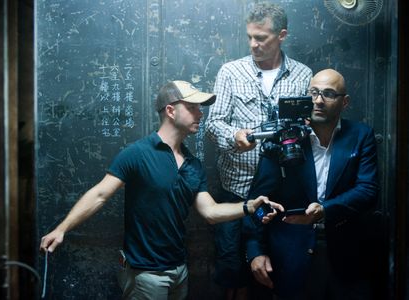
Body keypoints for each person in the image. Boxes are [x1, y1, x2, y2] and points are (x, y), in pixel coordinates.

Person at [39, 80, 283, 300]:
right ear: (171, 110)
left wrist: (250, 206)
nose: (201, 114)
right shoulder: (138, 153)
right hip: (145, 274)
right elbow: (100, 194)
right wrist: (62, 229)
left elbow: (210, 212)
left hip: (179, 271)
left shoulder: (192, 164)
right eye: (193, 107)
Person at [204, 2, 312, 298]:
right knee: (233, 276)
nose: (253, 44)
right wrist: (234, 136)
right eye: (250, 36)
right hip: (238, 191)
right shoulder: (230, 71)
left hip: (282, 195)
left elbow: (309, 127)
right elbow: (214, 124)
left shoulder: (303, 75)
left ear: (282, 35)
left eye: (261, 38)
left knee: (275, 276)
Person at [243, 69, 379, 300]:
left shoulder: (360, 135)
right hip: (290, 252)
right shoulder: (285, 137)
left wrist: (325, 210)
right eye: (314, 92)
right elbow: (258, 200)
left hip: (346, 253)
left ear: (344, 102)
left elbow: (368, 190)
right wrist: (255, 251)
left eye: (328, 94)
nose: (318, 100)